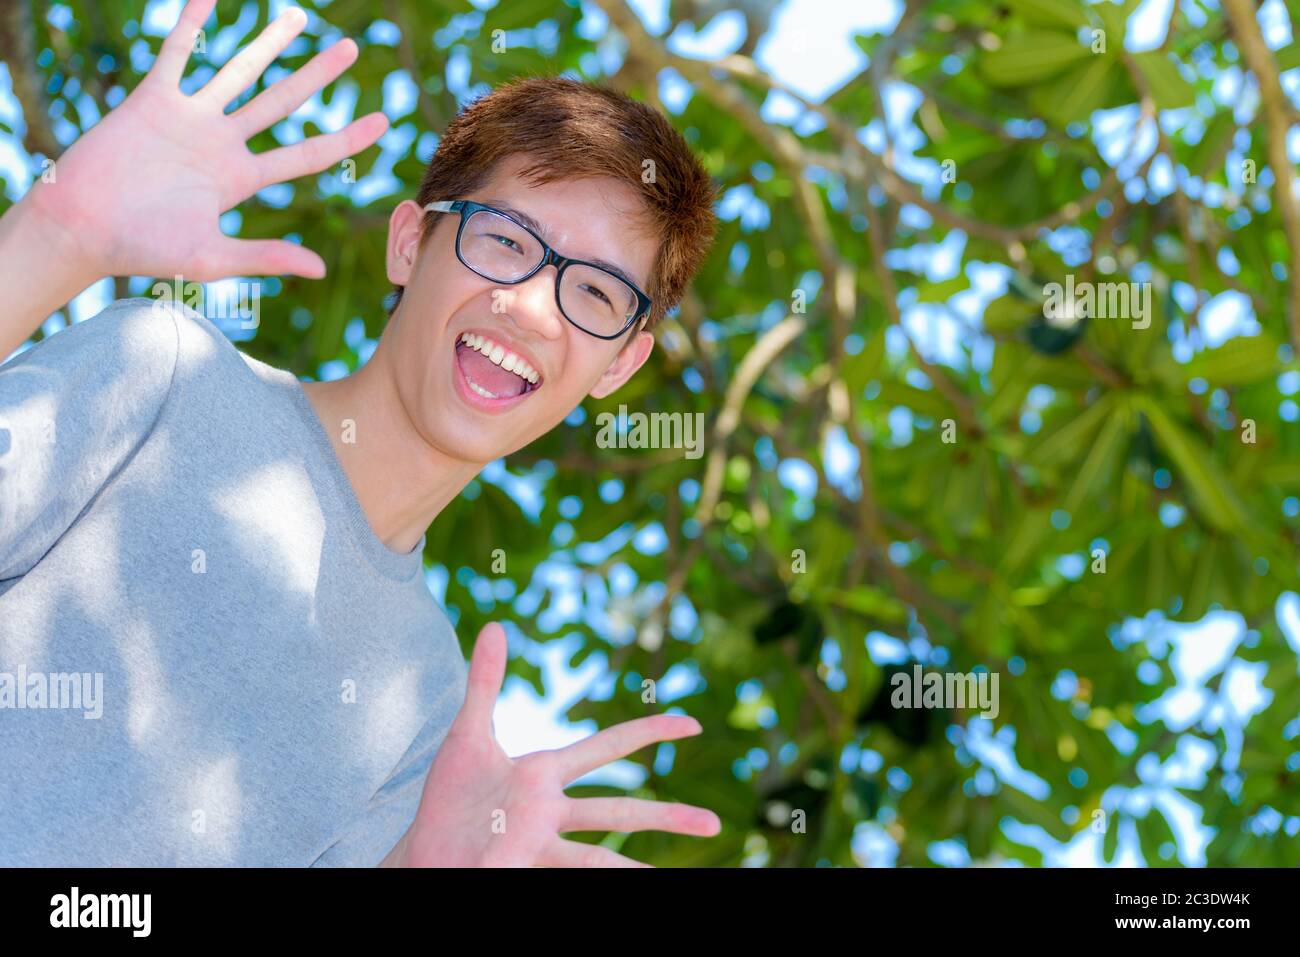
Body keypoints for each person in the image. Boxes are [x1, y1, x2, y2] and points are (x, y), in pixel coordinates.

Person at [0, 0, 721, 867]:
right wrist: (52, 238)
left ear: (619, 364)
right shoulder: (166, 373)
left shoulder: (431, 715)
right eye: (506, 240)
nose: (530, 306)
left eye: (597, 293)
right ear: (410, 244)